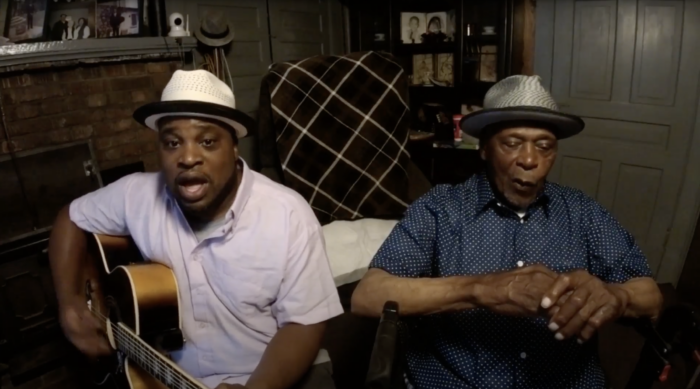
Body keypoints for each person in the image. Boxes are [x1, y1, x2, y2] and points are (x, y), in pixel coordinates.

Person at [351, 75, 663, 389]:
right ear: (485, 148)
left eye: (545, 146)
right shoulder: (441, 208)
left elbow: (649, 295)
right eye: (512, 143)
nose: (530, 160)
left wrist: (616, 296)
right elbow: (368, 296)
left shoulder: (582, 212)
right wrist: (481, 289)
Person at [48, 69, 343, 389]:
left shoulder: (288, 215)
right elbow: (71, 218)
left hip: (269, 374)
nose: (188, 157)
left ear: (233, 147)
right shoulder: (136, 194)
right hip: (168, 373)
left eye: (207, 141)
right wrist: (71, 305)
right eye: (173, 142)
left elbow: (304, 324)